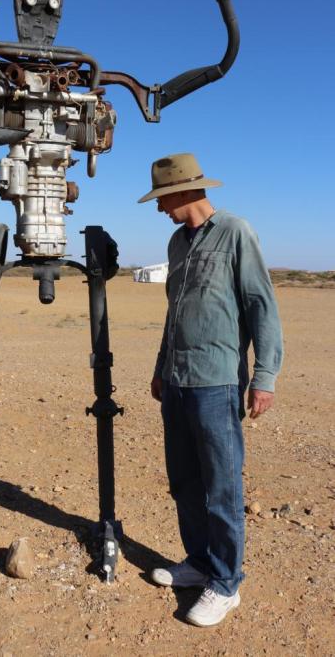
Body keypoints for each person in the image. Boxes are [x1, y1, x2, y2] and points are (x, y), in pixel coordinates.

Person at [137, 152, 283, 627]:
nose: (160, 208)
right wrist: (161, 367)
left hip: (216, 382)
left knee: (221, 488)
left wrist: (264, 378)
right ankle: (198, 563)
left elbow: (262, 305)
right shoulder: (177, 242)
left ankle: (225, 583)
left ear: (185, 192)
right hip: (177, 382)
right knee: (184, 481)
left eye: (163, 199)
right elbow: (173, 313)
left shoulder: (236, 232)